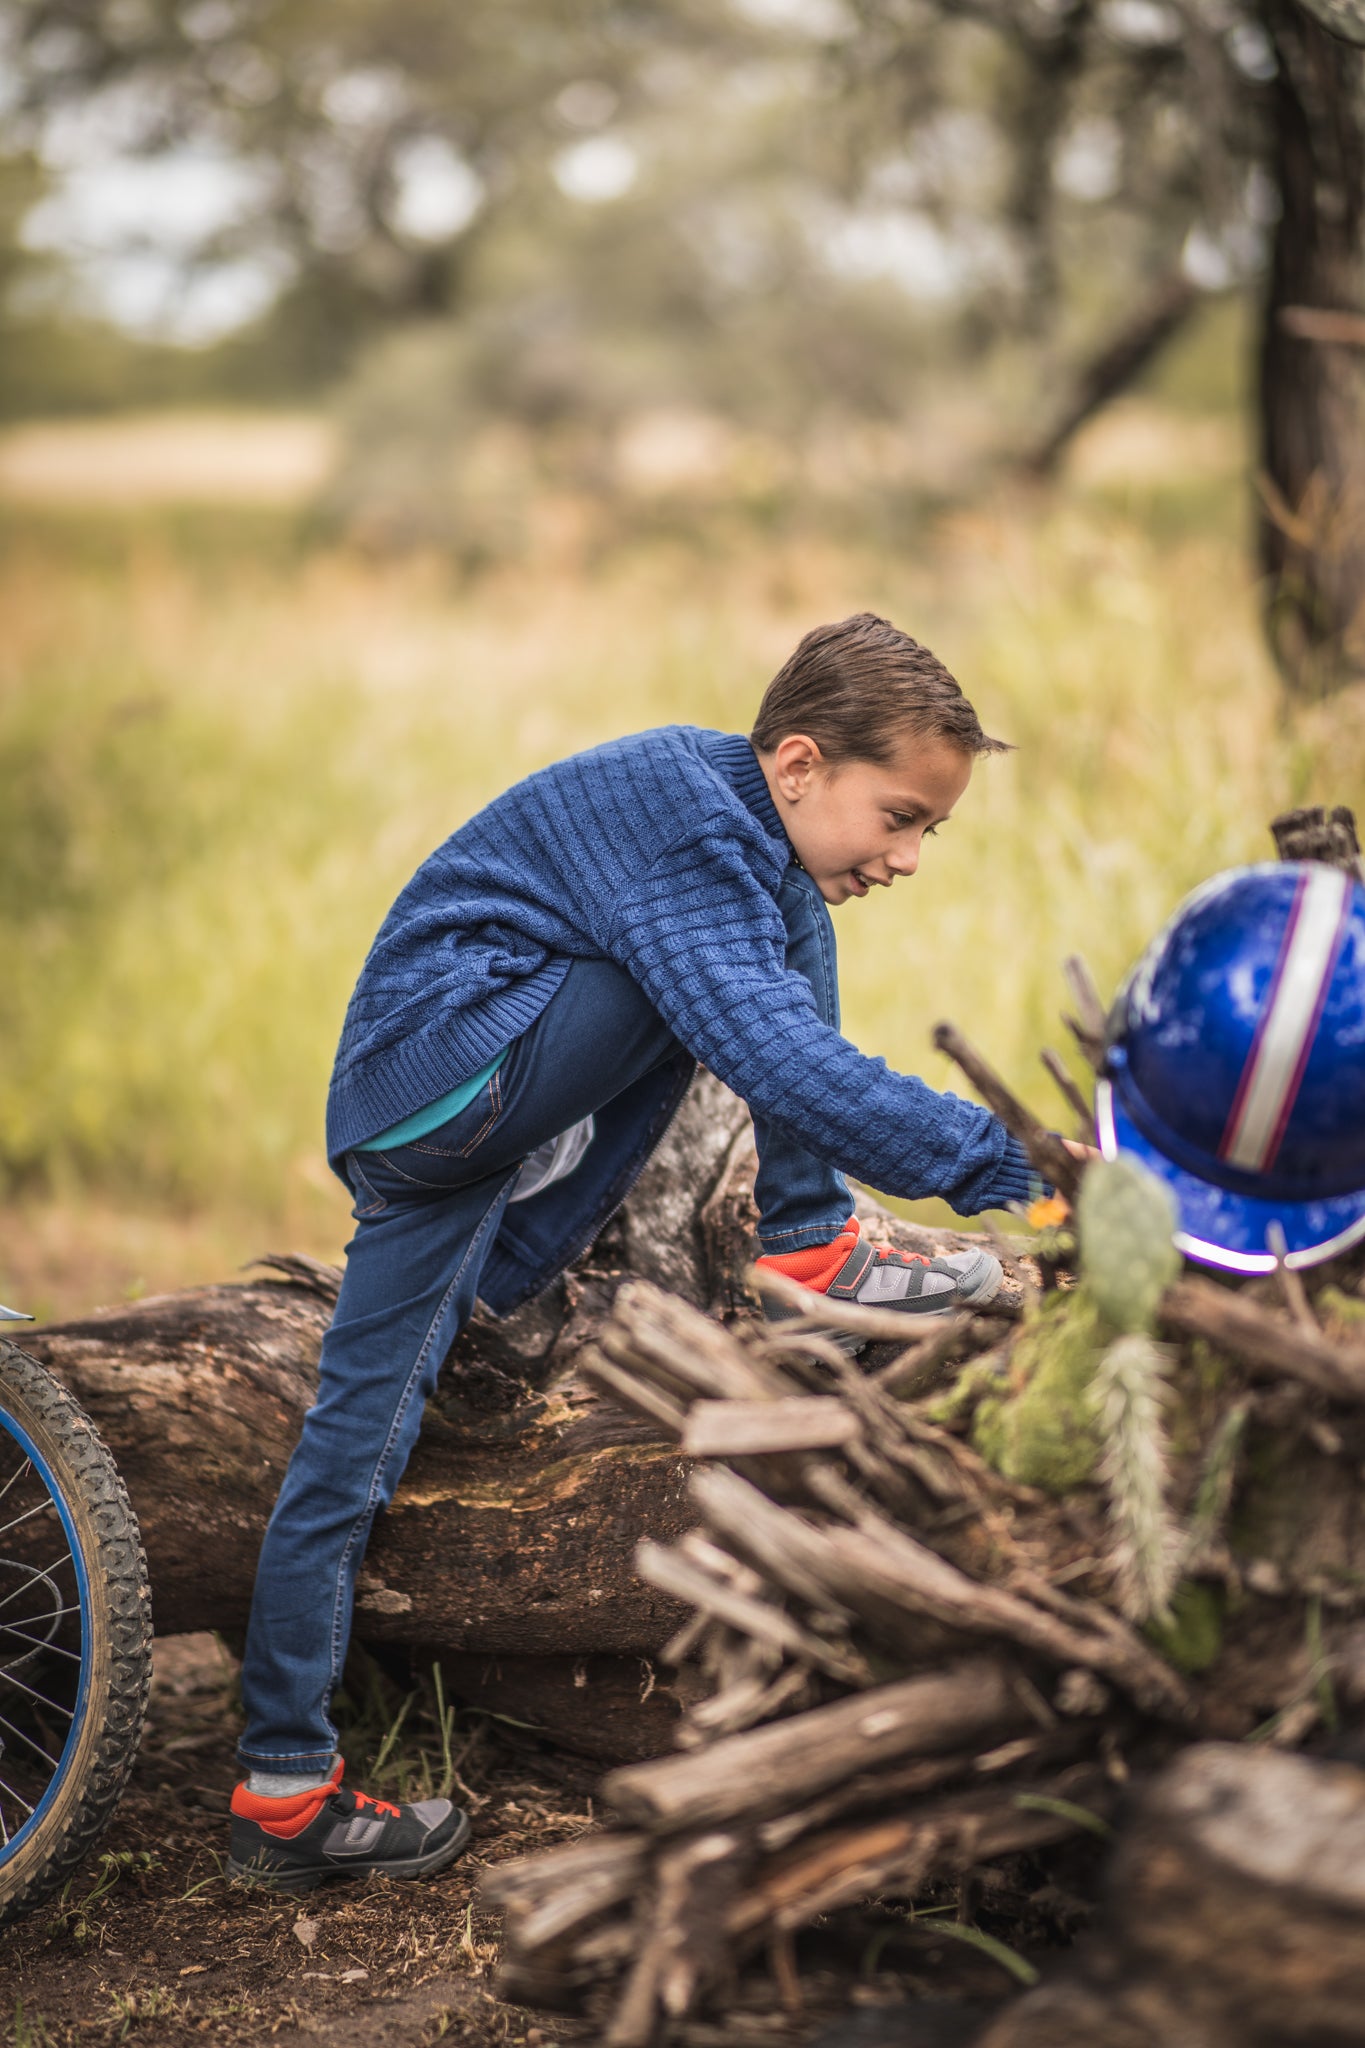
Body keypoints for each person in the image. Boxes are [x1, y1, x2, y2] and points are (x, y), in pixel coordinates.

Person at [228, 610, 1052, 1889]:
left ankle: (280, 1789)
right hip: (436, 1082)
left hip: (464, 1111)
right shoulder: (688, 826)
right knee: (744, 984)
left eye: (928, 829)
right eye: (899, 816)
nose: (910, 856)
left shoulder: (740, 834)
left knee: (352, 1443)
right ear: (797, 766)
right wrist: (1026, 1167)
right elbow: (780, 1056)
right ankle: (813, 1243)